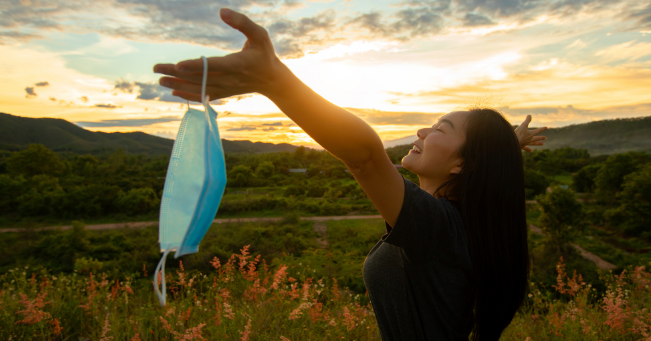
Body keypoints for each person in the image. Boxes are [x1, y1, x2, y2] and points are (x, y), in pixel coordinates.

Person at [153, 8, 548, 341]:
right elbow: (474, 169)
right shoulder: (460, 224)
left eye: (440, 129)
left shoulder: (440, 229)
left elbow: (365, 158)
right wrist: (507, 147)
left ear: (464, 165)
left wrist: (274, 79)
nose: (422, 132)